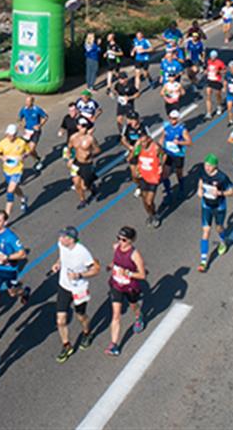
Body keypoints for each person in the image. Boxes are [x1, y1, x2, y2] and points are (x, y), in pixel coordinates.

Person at [51, 226, 100, 362]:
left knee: (81, 316)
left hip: (79, 289)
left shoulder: (83, 252)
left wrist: (79, 275)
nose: (60, 238)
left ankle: (86, 333)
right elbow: (62, 256)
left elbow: (96, 270)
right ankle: (66, 345)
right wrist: (57, 264)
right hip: (64, 286)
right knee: (60, 320)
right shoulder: (61, 244)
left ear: (71, 240)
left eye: (64, 236)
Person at [0, 210, 29, 340]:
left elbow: (22, 254)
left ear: (5, 222)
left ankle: (23, 292)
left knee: (12, 293)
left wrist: (7, 258)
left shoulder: (11, 237)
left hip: (9, 271)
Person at [103, 227, 147, 356]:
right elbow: (116, 259)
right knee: (116, 315)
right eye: (118, 238)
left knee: (134, 305)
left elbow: (142, 275)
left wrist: (127, 272)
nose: (120, 241)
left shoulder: (135, 255)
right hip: (117, 284)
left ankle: (139, 316)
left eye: (123, 240)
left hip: (130, 286)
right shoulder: (116, 247)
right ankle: (114, 345)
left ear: (131, 241)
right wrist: (111, 266)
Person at [196, 154, 233, 273]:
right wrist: (199, 189)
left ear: (215, 166)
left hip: (219, 207)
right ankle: (203, 261)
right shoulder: (203, 172)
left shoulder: (222, 177)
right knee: (206, 231)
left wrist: (220, 193)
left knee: (219, 228)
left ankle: (223, 241)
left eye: (210, 166)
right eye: (206, 165)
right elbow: (201, 181)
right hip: (206, 205)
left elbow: (231, 191)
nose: (207, 167)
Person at [0, 124, 31, 218]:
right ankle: (23, 198)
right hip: (7, 169)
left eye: (13, 135)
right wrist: (2, 157)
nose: (11, 137)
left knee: (10, 191)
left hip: (18, 169)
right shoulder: (2, 143)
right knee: (15, 188)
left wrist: (24, 156)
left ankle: (6, 217)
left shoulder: (21, 142)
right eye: (9, 135)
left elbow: (28, 151)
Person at [129, 131, 164, 228]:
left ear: (149, 139)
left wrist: (161, 165)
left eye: (144, 141)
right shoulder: (139, 147)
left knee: (149, 201)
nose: (143, 144)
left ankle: (155, 216)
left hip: (153, 178)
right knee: (145, 201)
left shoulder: (156, 147)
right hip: (143, 177)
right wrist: (136, 167)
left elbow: (163, 155)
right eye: (141, 141)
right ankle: (151, 215)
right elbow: (131, 158)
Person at [68, 119, 100, 208]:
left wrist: (91, 154)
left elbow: (98, 150)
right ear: (78, 126)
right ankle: (82, 200)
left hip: (87, 164)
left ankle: (92, 188)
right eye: (82, 126)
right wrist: (69, 159)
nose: (84, 128)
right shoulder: (73, 138)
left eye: (85, 126)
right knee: (76, 183)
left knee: (85, 187)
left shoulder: (90, 139)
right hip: (76, 163)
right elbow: (69, 148)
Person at [161, 109, 192, 195]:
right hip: (168, 154)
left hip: (178, 154)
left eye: (174, 118)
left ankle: (181, 187)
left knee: (179, 173)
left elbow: (189, 142)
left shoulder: (182, 129)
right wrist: (159, 146)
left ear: (178, 119)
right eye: (170, 118)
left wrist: (179, 142)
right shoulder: (166, 126)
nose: (172, 120)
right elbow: (162, 137)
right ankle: (168, 191)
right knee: (164, 174)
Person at [17, 95, 48, 170]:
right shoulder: (23, 110)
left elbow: (45, 117)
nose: (26, 103)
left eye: (28, 101)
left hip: (35, 131)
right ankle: (37, 158)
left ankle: (38, 161)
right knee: (25, 148)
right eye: (26, 101)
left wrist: (40, 125)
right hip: (27, 132)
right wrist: (22, 124)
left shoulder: (37, 109)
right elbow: (19, 119)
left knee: (31, 149)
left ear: (32, 102)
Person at [203, 50, 226, 120]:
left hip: (217, 81)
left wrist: (219, 71)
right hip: (210, 80)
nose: (212, 58)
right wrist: (206, 72)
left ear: (216, 57)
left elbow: (224, 70)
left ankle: (219, 105)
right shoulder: (208, 62)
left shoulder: (219, 63)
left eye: (213, 57)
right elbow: (206, 69)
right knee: (208, 95)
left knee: (217, 95)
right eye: (211, 56)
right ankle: (209, 113)